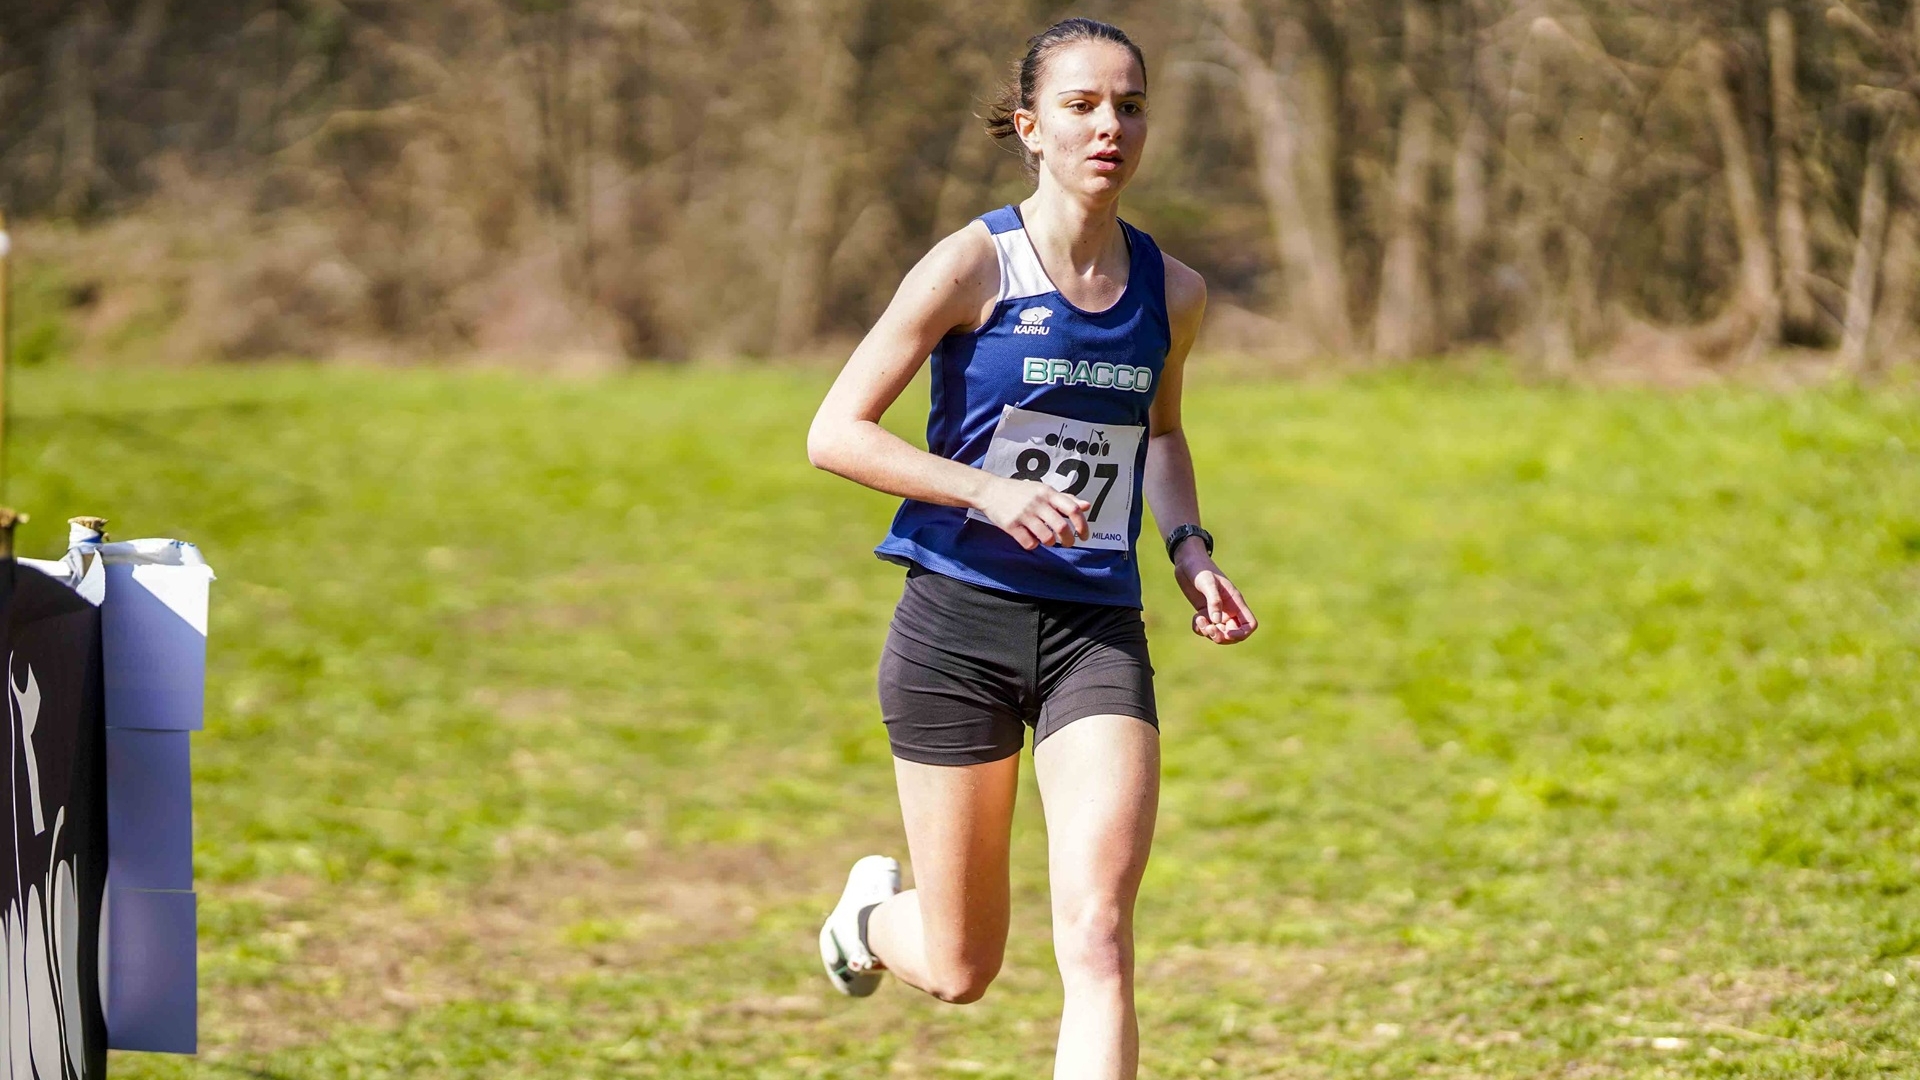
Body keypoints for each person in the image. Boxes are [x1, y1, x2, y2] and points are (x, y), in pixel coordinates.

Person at [805, 17, 1257, 1080]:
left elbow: (1163, 432)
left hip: (1096, 634)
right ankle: (872, 918)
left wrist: (1188, 550)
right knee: (962, 969)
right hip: (957, 627)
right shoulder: (972, 264)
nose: (1111, 125)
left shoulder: (1173, 293)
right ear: (1030, 127)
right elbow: (834, 432)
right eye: (1083, 104)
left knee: (1098, 935)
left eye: (1130, 104)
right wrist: (987, 492)